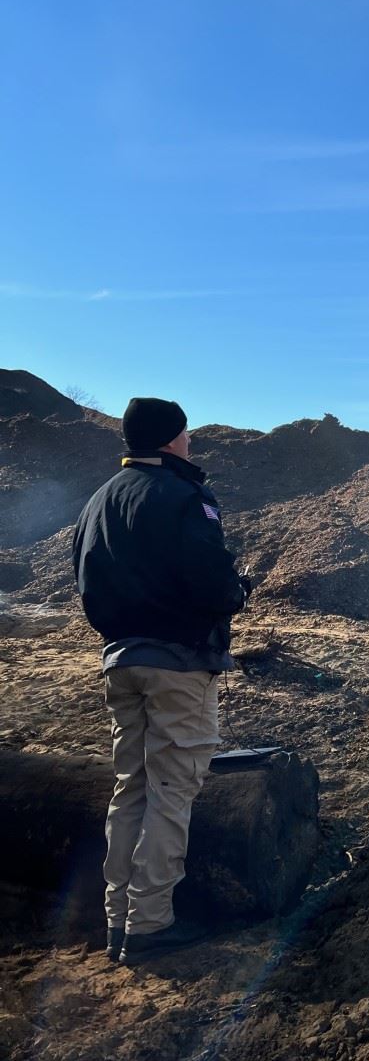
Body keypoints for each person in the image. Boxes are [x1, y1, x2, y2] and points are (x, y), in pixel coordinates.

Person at [73, 397, 249, 965]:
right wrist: (236, 592)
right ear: (172, 439)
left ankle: (117, 919)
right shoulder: (182, 495)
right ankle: (150, 924)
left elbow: (83, 574)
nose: (190, 442)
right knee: (172, 791)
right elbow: (208, 579)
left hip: (119, 658)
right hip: (178, 662)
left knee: (132, 788)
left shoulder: (100, 498)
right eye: (186, 434)